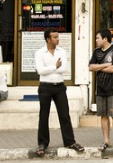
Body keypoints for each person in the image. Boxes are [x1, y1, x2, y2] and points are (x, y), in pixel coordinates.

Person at [34, 28, 84, 157]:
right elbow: (40, 70)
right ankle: (42, 144)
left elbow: (63, 69)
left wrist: (51, 69)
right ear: (48, 39)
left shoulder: (62, 51)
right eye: (55, 37)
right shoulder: (40, 53)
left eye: (58, 36)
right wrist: (54, 67)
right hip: (45, 87)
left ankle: (70, 142)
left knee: (64, 114)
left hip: (60, 87)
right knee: (43, 116)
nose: (58, 39)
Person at [89, 29, 113, 152]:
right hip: (100, 88)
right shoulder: (96, 51)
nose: (96, 40)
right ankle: (106, 141)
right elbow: (90, 67)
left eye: (98, 38)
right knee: (103, 116)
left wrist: (98, 67)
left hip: (112, 89)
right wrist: (105, 65)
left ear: (105, 38)